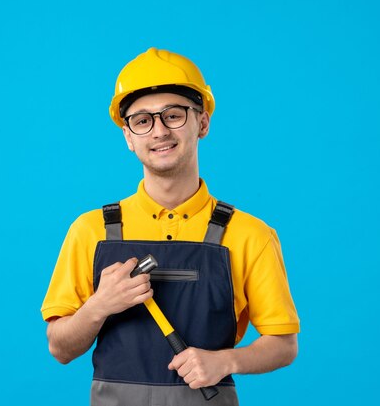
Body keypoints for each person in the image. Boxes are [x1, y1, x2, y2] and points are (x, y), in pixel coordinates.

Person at [41, 47, 300, 406]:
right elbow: (60, 348)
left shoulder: (250, 234)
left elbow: (283, 344)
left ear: (203, 123)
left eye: (173, 115)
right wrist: (99, 305)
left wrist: (226, 360)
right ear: (129, 137)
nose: (159, 131)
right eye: (142, 120)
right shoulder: (91, 231)